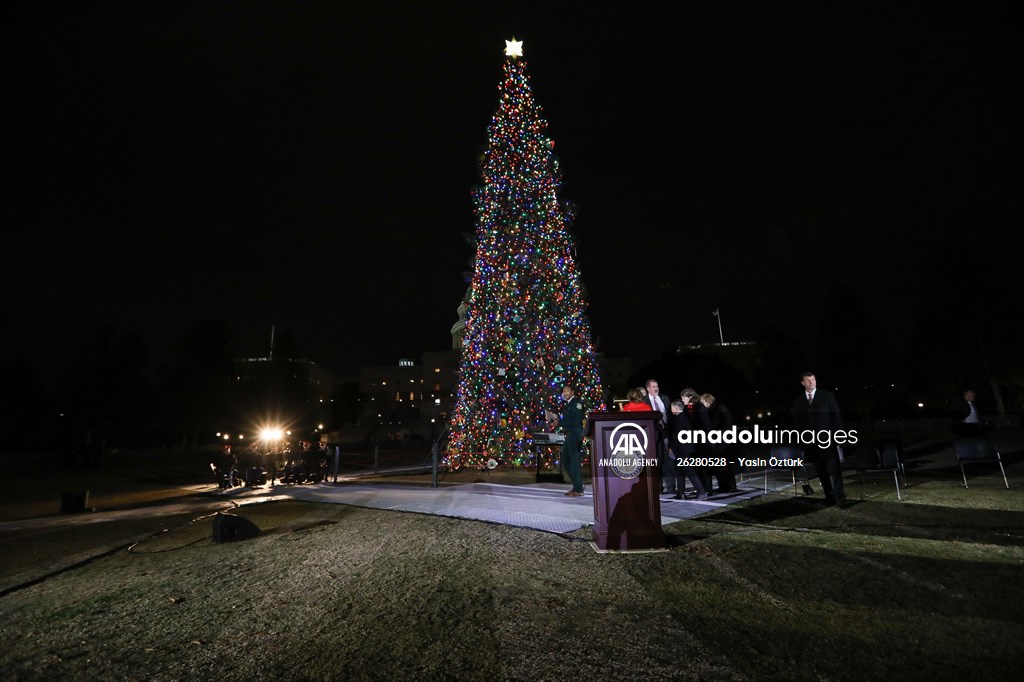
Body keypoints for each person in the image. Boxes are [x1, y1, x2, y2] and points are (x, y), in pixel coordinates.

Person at [791, 372, 846, 506]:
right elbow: (798, 423)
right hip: (811, 443)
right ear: (803, 383)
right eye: (808, 380)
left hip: (828, 440)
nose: (812, 382)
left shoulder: (827, 396)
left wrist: (839, 437)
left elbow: (836, 418)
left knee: (835, 470)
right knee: (821, 471)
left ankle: (840, 498)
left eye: (813, 379)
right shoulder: (798, 401)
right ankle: (829, 496)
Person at [669, 401, 709, 500]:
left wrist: (672, 448)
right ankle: (681, 493)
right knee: (680, 471)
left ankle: (701, 492)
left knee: (689, 471)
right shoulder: (684, 418)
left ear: (676, 408)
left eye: (671, 408)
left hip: (683, 449)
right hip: (685, 448)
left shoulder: (678, 419)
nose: (670, 410)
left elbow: (679, 436)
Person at [553, 384, 586, 497]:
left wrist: (560, 423)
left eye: (567, 391)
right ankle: (578, 485)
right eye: (563, 391)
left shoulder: (576, 403)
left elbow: (576, 421)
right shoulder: (568, 404)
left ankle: (578, 489)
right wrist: (557, 420)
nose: (565, 393)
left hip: (575, 435)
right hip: (569, 435)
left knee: (574, 462)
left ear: (572, 392)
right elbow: (568, 419)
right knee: (566, 461)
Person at [702, 393, 738, 493]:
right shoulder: (710, 411)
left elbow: (728, 423)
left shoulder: (719, 408)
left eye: (702, 402)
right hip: (717, 442)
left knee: (726, 466)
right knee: (719, 466)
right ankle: (723, 486)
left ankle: (731, 487)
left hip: (724, 442)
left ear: (707, 401)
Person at [681, 388, 714, 492]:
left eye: (683, 398)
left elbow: (706, 424)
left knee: (703, 467)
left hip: (701, 441)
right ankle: (704, 489)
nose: (682, 401)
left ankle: (707, 489)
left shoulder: (698, 407)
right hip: (696, 441)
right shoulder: (691, 407)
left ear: (690, 397)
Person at [645, 379, 671, 492]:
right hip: (654, 434)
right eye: (653, 386)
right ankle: (658, 487)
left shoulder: (664, 399)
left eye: (657, 386)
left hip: (667, 432)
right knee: (657, 461)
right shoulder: (645, 401)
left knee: (669, 460)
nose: (656, 389)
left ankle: (671, 487)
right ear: (648, 389)